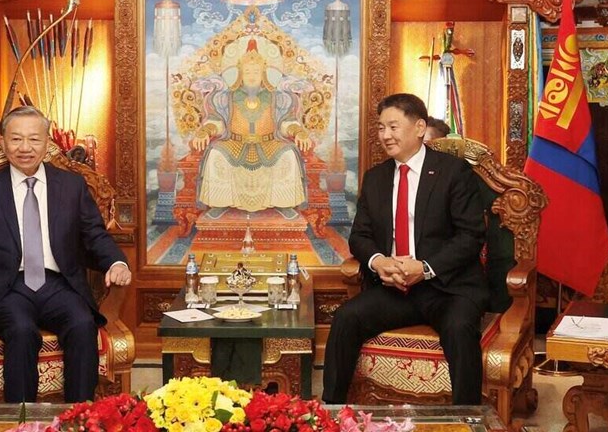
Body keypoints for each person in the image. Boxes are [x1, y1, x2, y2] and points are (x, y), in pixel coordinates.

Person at [0, 106, 132, 403]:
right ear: (3, 142)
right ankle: (22, 420)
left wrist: (116, 262)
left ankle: (79, 416)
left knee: (82, 324)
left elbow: (95, 234)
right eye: (16, 139)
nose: (25, 148)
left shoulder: (71, 186)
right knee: (21, 329)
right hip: (8, 288)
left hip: (59, 285)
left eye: (33, 139)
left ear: (47, 142)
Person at [323, 93, 486, 405]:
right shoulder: (376, 178)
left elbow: (470, 237)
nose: (385, 135)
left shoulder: (453, 172)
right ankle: (332, 413)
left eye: (393, 127)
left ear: (420, 127)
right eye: (381, 128)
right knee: (346, 318)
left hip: (448, 288)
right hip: (396, 288)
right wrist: (377, 261)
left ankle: (465, 420)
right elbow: (360, 236)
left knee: (459, 327)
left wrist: (424, 268)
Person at [191, 38, 311, 219]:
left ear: (263, 73)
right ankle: (219, 203)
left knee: (288, 154)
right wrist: (205, 131)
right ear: (240, 73)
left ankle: (284, 203)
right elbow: (218, 121)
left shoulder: (276, 97)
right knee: (216, 153)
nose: (252, 75)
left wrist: (298, 131)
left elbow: (285, 122)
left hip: (269, 143)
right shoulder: (228, 97)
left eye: (256, 71)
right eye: (247, 71)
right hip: (235, 143)